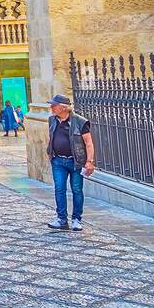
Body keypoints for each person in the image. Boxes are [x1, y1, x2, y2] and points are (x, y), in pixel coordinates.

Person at [46, 94, 95, 231]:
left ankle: (76, 219)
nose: (51, 108)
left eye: (54, 105)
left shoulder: (80, 122)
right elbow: (51, 137)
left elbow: (88, 143)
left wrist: (89, 161)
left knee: (77, 190)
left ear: (63, 108)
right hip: (58, 161)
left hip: (76, 162)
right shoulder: (52, 120)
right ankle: (62, 219)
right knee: (59, 189)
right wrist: (50, 151)